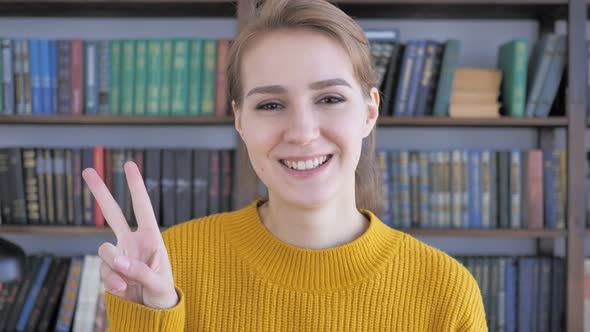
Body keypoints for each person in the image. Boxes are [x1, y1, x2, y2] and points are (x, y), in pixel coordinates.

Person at [82, 0, 487, 330]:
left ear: (369, 111)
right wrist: (148, 319)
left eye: (329, 98)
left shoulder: (445, 291)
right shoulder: (169, 265)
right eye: (271, 105)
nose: (302, 132)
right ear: (241, 120)